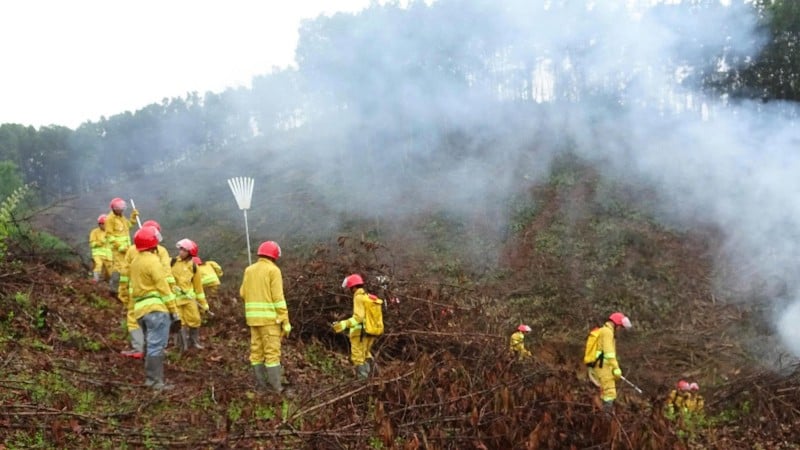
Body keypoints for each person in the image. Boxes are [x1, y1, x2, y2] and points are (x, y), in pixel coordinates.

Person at [129, 226, 179, 390]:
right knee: (156, 345)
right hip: (156, 310)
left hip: (140, 311)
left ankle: (152, 379)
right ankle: (155, 382)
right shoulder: (153, 261)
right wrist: (173, 310)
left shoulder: (135, 262)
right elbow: (163, 287)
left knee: (149, 344)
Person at [239, 241, 291, 393]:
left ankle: (261, 387)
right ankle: (276, 388)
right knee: (272, 354)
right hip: (270, 321)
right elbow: (278, 297)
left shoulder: (249, 270)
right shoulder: (273, 270)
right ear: (274, 255)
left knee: (256, 353)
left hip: (253, 320)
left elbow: (242, 293)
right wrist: (285, 321)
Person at [119, 219, 174, 358]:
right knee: (158, 321)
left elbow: (125, 272)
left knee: (134, 319)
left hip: (135, 293)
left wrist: (123, 292)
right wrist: (171, 290)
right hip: (158, 294)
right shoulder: (162, 251)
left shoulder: (132, 249)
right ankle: (157, 348)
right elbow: (166, 273)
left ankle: (138, 348)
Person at [333, 273, 379, 379]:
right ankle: (376, 378)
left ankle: (362, 383)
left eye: (349, 288)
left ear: (353, 287)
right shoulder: (368, 297)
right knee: (366, 354)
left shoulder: (358, 297)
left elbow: (358, 318)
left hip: (360, 334)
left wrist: (343, 324)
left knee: (358, 357)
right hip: (370, 332)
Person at [590, 312, 632, 413]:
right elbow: (609, 354)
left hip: (602, 365)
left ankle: (602, 416)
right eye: (620, 327)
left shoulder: (606, 331)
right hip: (602, 366)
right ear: (616, 324)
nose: (620, 330)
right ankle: (606, 418)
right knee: (609, 392)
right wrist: (616, 368)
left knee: (604, 392)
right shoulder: (607, 332)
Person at [172, 239, 209, 351]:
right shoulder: (172, 262)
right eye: (181, 249)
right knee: (180, 323)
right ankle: (181, 346)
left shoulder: (193, 266)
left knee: (195, 319)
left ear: (190, 253)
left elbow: (198, 287)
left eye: (184, 250)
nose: (181, 252)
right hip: (175, 300)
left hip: (189, 300)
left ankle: (194, 342)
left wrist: (204, 304)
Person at [104, 197, 139, 297]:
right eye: (120, 207)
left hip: (126, 248)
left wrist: (133, 217)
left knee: (126, 268)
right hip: (118, 250)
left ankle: (123, 288)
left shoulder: (122, 218)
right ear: (114, 208)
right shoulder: (110, 219)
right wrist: (119, 247)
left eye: (123, 206)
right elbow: (109, 236)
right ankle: (113, 289)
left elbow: (128, 226)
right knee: (118, 268)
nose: (122, 208)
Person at [88, 214, 112, 284]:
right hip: (98, 254)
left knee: (110, 271)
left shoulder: (110, 233)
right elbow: (92, 244)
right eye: (101, 224)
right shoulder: (94, 232)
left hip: (108, 256)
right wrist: (100, 243)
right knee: (98, 265)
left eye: (104, 224)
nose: (103, 225)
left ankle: (108, 282)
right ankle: (95, 280)